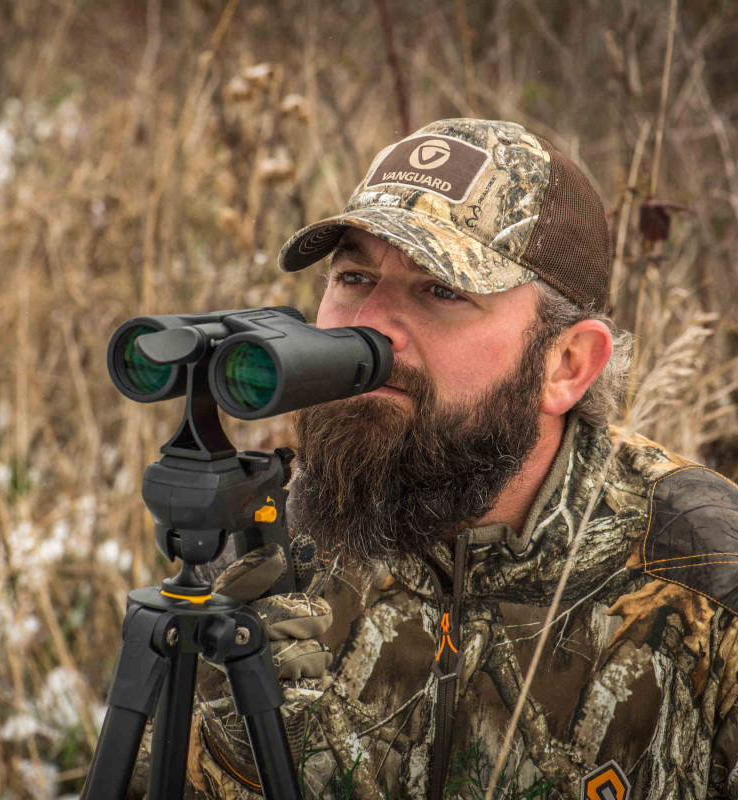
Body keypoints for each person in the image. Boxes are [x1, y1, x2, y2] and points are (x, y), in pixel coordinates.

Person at [181, 118, 738, 800]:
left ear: (567, 364)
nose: (369, 325)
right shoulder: (264, 550)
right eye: (354, 276)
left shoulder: (708, 579)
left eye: (442, 290)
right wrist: (229, 749)